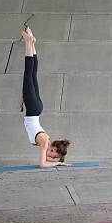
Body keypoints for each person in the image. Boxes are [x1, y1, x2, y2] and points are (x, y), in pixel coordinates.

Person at [21, 26, 71, 167]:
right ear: (55, 150)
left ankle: (32, 43)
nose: (52, 158)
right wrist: (58, 164)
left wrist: (57, 163)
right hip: (32, 109)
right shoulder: (44, 143)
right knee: (28, 73)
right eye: (55, 157)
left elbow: (45, 161)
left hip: (37, 109)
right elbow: (43, 164)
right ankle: (28, 41)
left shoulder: (46, 139)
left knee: (32, 74)